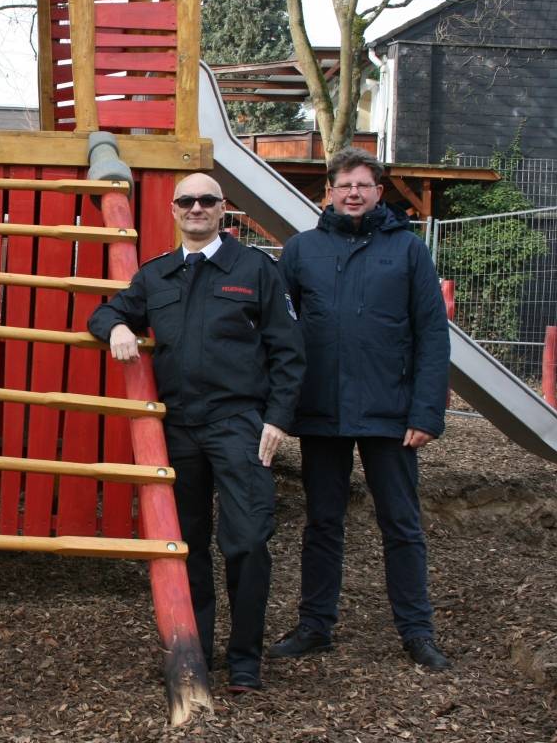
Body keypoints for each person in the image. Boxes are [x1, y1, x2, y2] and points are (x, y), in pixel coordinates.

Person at [88, 173, 304, 693]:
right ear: (174, 210)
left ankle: (246, 658)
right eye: (187, 201)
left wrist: (277, 418)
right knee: (187, 545)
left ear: (223, 208)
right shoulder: (158, 275)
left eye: (207, 200)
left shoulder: (256, 270)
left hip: (239, 426)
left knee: (248, 540)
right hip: (179, 427)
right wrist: (118, 327)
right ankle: (198, 652)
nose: (197, 208)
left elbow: (290, 353)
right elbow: (107, 311)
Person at [270, 147, 452, 671]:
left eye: (364, 185)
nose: (353, 193)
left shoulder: (409, 251)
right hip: (322, 411)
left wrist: (426, 412)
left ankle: (416, 631)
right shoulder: (302, 251)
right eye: (344, 184)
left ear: (379, 193)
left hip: (391, 414)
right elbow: (282, 334)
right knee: (322, 524)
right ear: (328, 191)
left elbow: (432, 336)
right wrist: (283, 406)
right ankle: (314, 626)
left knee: (401, 524)